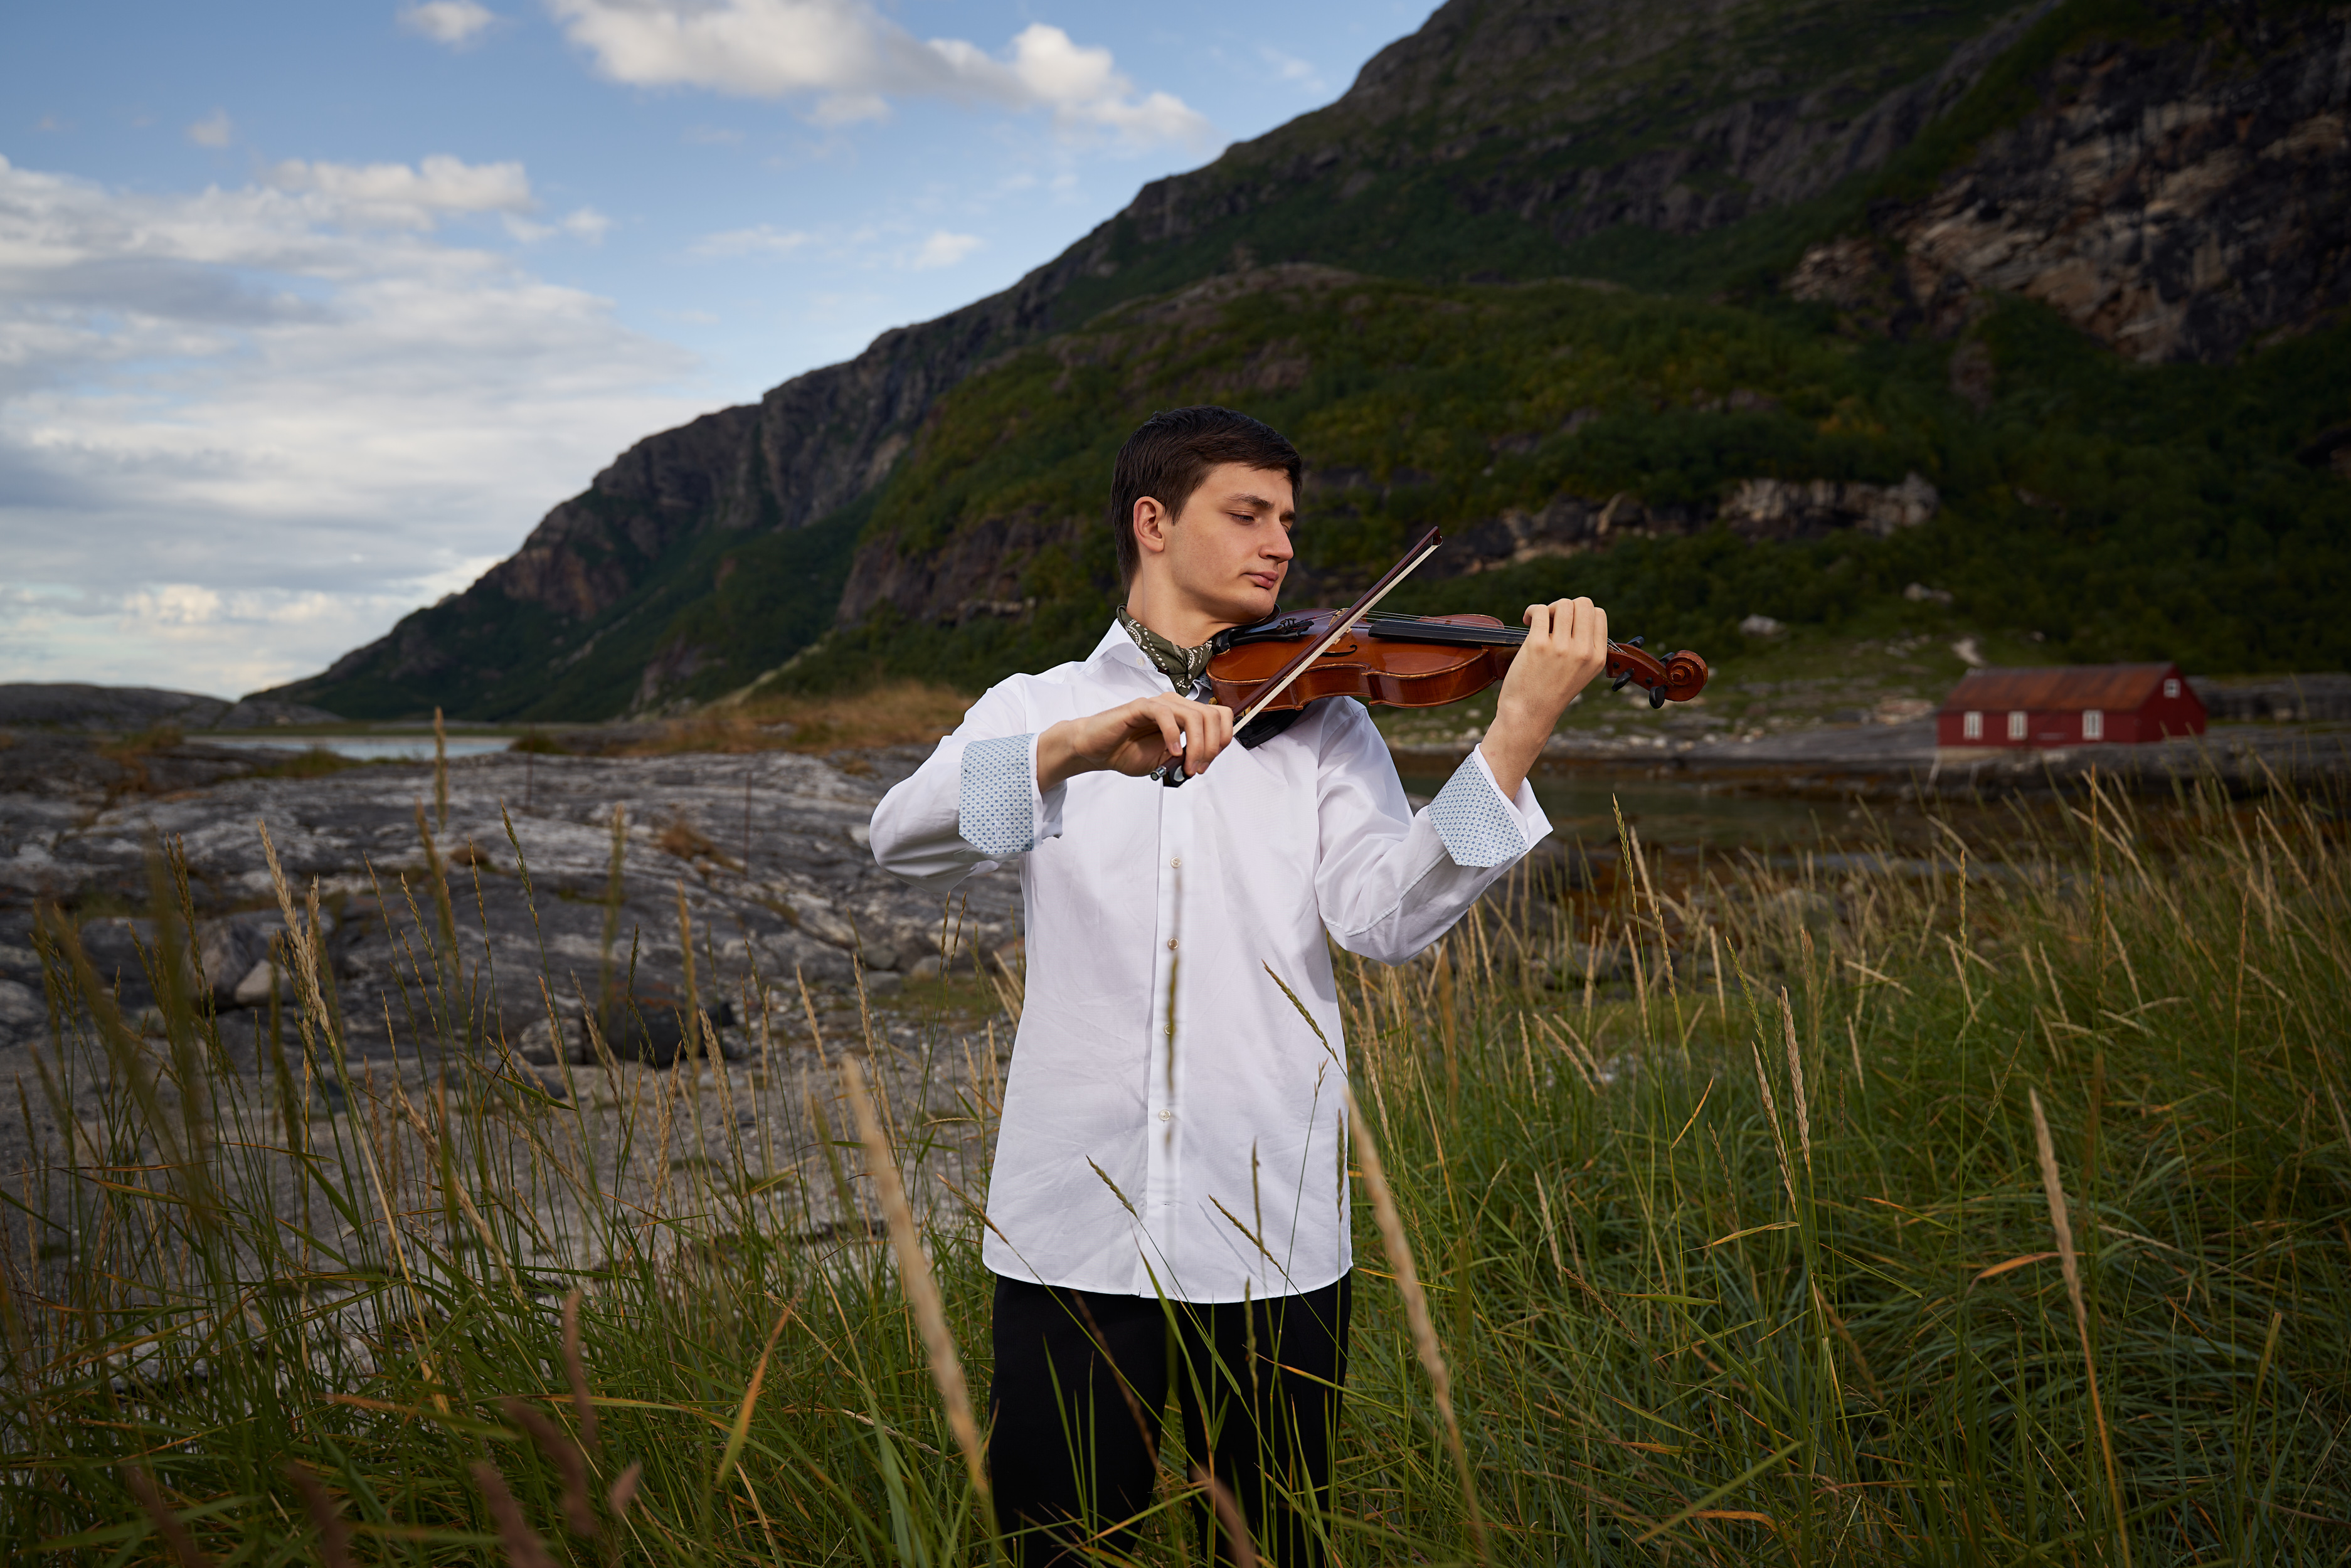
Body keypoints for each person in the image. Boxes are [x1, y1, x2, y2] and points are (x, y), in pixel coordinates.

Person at [868, 405, 1609, 1565]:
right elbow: (897, 837)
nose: (1281, 544)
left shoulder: (1328, 721)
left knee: (1267, 1548)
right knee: (1060, 1548)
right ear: (1153, 523)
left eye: (1289, 523)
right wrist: (1073, 748)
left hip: (1270, 1224)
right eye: (1248, 513)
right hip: (1073, 1224)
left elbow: (1385, 921)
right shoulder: (1034, 705)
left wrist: (1510, 737)